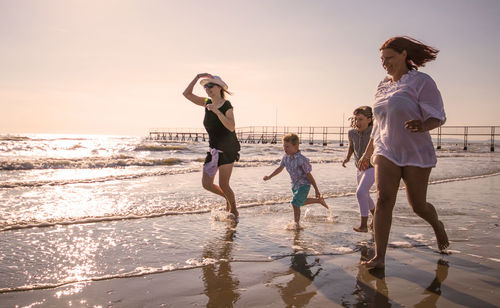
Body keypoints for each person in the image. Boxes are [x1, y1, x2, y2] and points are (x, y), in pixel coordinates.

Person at [358, 36, 449, 269]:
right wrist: (367, 153)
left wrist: (423, 125)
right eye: (382, 59)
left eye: (389, 57)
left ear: (404, 55)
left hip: (415, 151)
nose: (385, 63)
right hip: (386, 150)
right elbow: (378, 125)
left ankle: (436, 224)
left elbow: (437, 115)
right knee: (384, 199)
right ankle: (379, 258)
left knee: (418, 205)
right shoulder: (382, 86)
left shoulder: (421, 81)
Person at [183, 73, 240, 217]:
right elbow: (187, 94)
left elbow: (231, 126)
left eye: (211, 85)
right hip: (213, 149)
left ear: (219, 88)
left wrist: (217, 112)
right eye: (206, 86)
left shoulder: (226, 105)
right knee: (206, 184)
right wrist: (196, 78)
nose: (207, 88)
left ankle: (234, 209)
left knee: (224, 184)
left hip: (228, 149)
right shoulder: (206, 102)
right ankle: (228, 198)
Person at [263, 133, 328, 227]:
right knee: (300, 201)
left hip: (304, 185)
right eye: (284, 146)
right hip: (294, 185)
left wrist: (316, 189)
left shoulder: (302, 160)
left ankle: (296, 224)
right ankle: (318, 201)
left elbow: (309, 175)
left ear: (296, 146)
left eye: (288, 146)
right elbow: (280, 168)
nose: (285, 149)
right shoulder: (285, 157)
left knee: (294, 203)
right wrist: (269, 176)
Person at [342, 106, 375, 232]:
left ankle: (363, 225)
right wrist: (347, 158)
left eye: (361, 119)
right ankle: (376, 214)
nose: (357, 122)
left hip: (373, 167)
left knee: (360, 193)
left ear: (369, 119)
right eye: (356, 119)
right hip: (359, 168)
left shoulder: (374, 132)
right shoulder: (352, 133)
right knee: (365, 195)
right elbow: (351, 147)